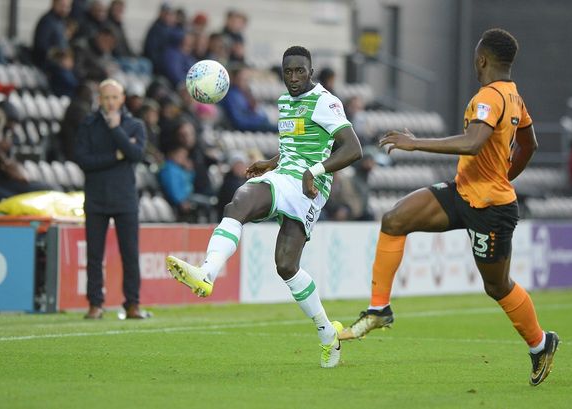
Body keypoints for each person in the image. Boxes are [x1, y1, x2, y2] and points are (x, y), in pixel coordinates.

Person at [340, 29, 559, 386]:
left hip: (491, 209)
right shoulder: (513, 96)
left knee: (497, 286)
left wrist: (415, 143)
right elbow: (529, 144)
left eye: (476, 56)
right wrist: (506, 174)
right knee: (395, 219)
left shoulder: (489, 97)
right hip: (463, 192)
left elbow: (473, 143)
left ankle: (540, 344)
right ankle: (379, 309)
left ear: (483, 59)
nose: (475, 61)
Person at [166, 46, 363, 368]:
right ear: (282, 74)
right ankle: (207, 273)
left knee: (286, 265)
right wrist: (271, 163)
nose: (295, 78)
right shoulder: (285, 102)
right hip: (286, 176)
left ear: (311, 72)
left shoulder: (325, 102)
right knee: (239, 204)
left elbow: (353, 149)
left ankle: (326, 331)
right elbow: (296, 146)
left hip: (311, 186)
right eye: (289, 72)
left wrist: (314, 172)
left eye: (301, 71)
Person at [74, 79, 148, 320]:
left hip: (125, 198)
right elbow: (84, 161)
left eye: (114, 97)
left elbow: (136, 155)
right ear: (99, 99)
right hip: (96, 198)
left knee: (130, 254)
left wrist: (116, 130)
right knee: (94, 255)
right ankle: (95, 304)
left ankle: (132, 304)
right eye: (106, 97)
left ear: (122, 99)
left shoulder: (134, 125)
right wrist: (117, 156)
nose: (110, 102)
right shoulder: (88, 124)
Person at [0, 100, 54, 200]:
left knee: (51, 189)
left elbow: (11, 167)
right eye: (9, 122)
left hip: (6, 182)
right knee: (11, 199)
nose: (12, 127)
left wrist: (13, 166)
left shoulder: (8, 136)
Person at [32, 0, 72, 67]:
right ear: (54, 3)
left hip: (61, 63)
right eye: (62, 5)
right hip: (48, 64)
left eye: (68, 6)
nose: (65, 9)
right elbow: (41, 47)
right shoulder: (47, 21)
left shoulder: (60, 21)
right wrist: (61, 58)